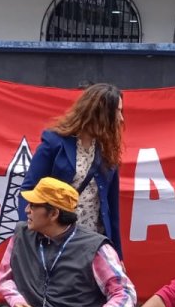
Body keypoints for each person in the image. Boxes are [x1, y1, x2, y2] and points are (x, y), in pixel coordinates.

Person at [0, 177, 136, 307]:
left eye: (33, 205)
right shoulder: (20, 235)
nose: (27, 209)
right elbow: (5, 279)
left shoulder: (96, 248)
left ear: (53, 214)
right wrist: (16, 301)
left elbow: (125, 293)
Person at [20, 82, 125, 255]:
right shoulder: (55, 142)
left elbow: (112, 208)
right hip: (55, 239)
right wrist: (28, 238)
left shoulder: (108, 150)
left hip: (93, 242)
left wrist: (117, 254)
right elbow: (29, 189)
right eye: (117, 111)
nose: (121, 119)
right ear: (100, 112)